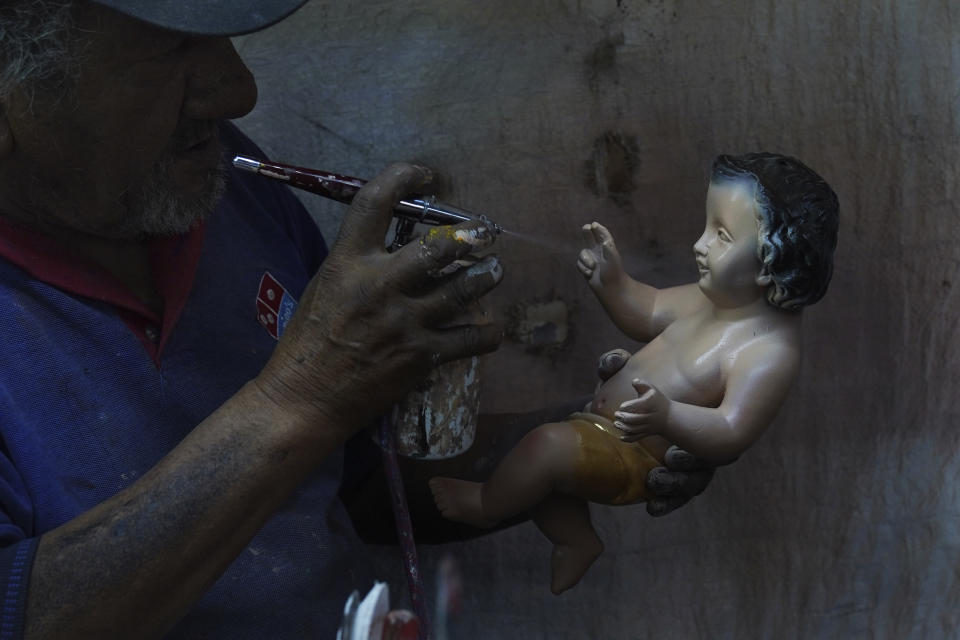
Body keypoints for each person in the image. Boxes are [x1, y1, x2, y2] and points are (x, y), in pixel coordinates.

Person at [0, 1, 712, 637]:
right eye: (170, 50)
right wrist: (302, 398)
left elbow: (350, 484)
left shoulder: (221, 185)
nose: (236, 90)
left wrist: (592, 433)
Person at [430, 152, 839, 595]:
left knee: (546, 447)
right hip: (599, 426)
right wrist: (613, 282)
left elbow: (732, 427)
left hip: (633, 458)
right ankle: (576, 540)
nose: (699, 245)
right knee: (547, 474)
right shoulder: (714, 299)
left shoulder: (767, 351)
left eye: (721, 235)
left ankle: (486, 503)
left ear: (772, 259)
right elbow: (649, 309)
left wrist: (667, 418)